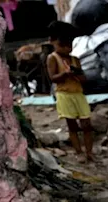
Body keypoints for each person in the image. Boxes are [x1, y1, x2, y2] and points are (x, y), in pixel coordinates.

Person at [46, 23, 94, 163]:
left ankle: (89, 153)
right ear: (54, 43)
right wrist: (65, 74)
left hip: (78, 93)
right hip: (64, 94)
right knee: (72, 125)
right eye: (63, 45)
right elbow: (53, 78)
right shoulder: (53, 58)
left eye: (69, 45)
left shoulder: (75, 60)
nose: (67, 48)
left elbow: (84, 78)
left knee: (86, 125)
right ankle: (79, 152)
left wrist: (76, 74)